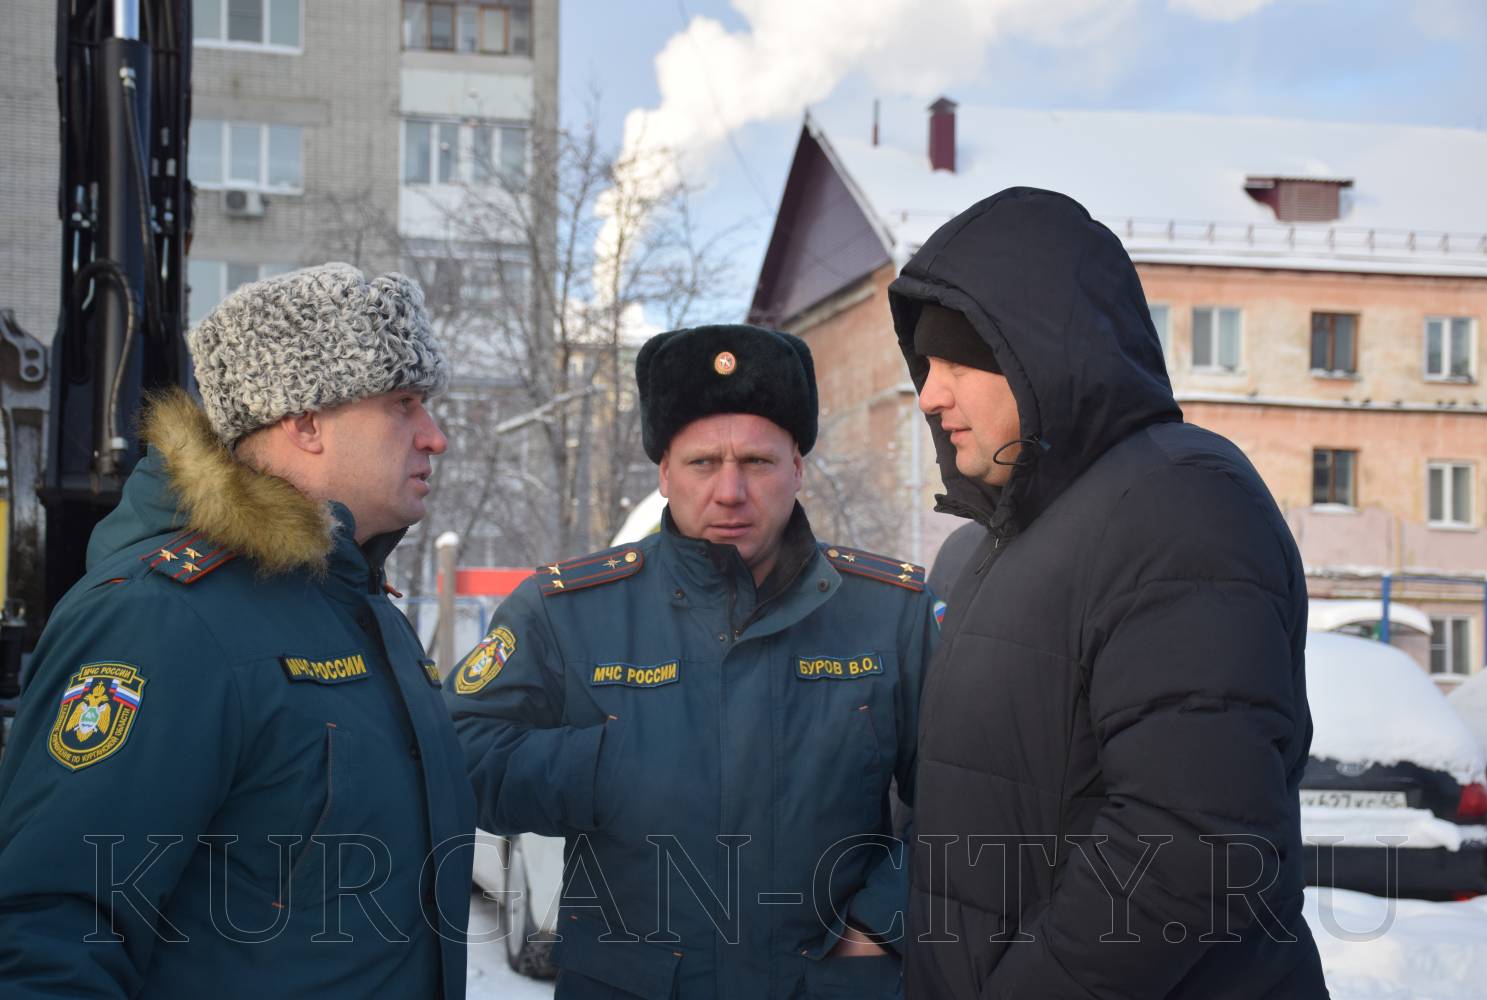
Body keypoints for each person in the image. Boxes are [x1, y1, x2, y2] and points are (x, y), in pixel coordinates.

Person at [887, 189, 1328, 998]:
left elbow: (1191, 842)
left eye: (957, 363)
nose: (929, 395)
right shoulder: (993, 548)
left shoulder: (1177, 502)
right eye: (924, 367)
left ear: (1038, 353)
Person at [0, 264, 476, 999]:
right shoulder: (161, 619)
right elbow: (50, 935)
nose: (434, 438)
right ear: (305, 420)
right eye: (403, 403)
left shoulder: (361, 606)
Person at [447, 324, 940, 999]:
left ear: (798, 467)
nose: (730, 491)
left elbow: (968, 795)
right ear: (664, 474)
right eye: (703, 462)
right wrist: (607, 766)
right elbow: (460, 750)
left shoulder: (891, 614)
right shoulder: (566, 612)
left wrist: (881, 923)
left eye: (758, 462)